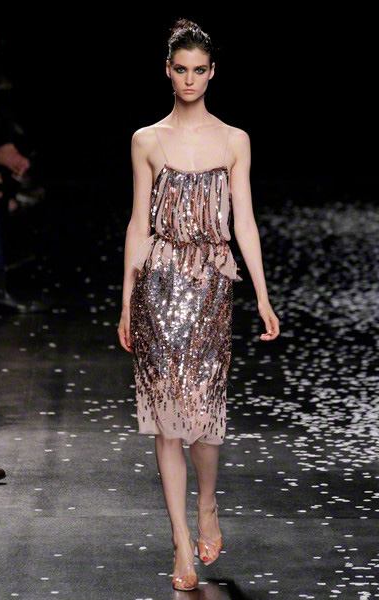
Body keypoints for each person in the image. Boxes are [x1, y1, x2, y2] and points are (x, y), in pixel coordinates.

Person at [118, 18, 280, 591]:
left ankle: (207, 503)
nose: (190, 79)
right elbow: (138, 224)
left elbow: (244, 223)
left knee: (204, 419)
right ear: (168, 71)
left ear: (212, 73)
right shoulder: (146, 139)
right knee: (167, 421)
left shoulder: (235, 140)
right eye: (181, 69)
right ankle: (181, 543)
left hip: (211, 285)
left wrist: (262, 294)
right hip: (158, 285)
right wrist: (125, 302)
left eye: (199, 70)